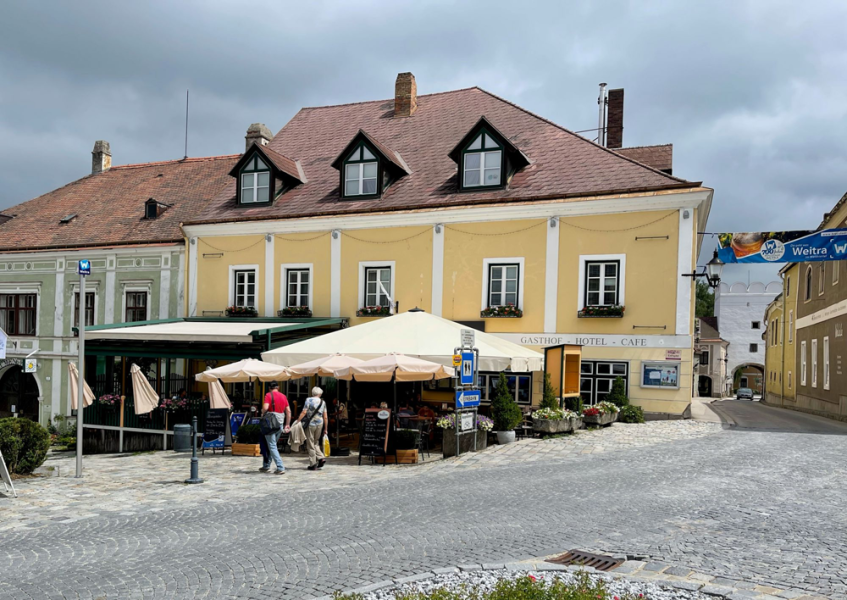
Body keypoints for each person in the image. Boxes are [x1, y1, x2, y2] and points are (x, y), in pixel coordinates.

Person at [294, 386, 329, 471]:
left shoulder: (308, 400)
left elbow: (304, 412)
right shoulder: (323, 402)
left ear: (312, 393)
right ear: (320, 393)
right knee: (316, 442)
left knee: (310, 443)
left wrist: (298, 420)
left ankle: (313, 464)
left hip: (311, 424)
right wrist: (325, 429)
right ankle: (321, 458)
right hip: (320, 423)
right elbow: (325, 417)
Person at [260, 381, 291, 474]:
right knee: (271, 445)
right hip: (280, 423)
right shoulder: (283, 396)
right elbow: (288, 411)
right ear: (278, 387)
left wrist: (262, 413)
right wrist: (287, 424)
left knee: (272, 446)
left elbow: (266, 407)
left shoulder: (268, 395)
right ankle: (266, 465)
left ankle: (280, 467)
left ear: (269, 388)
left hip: (270, 423)